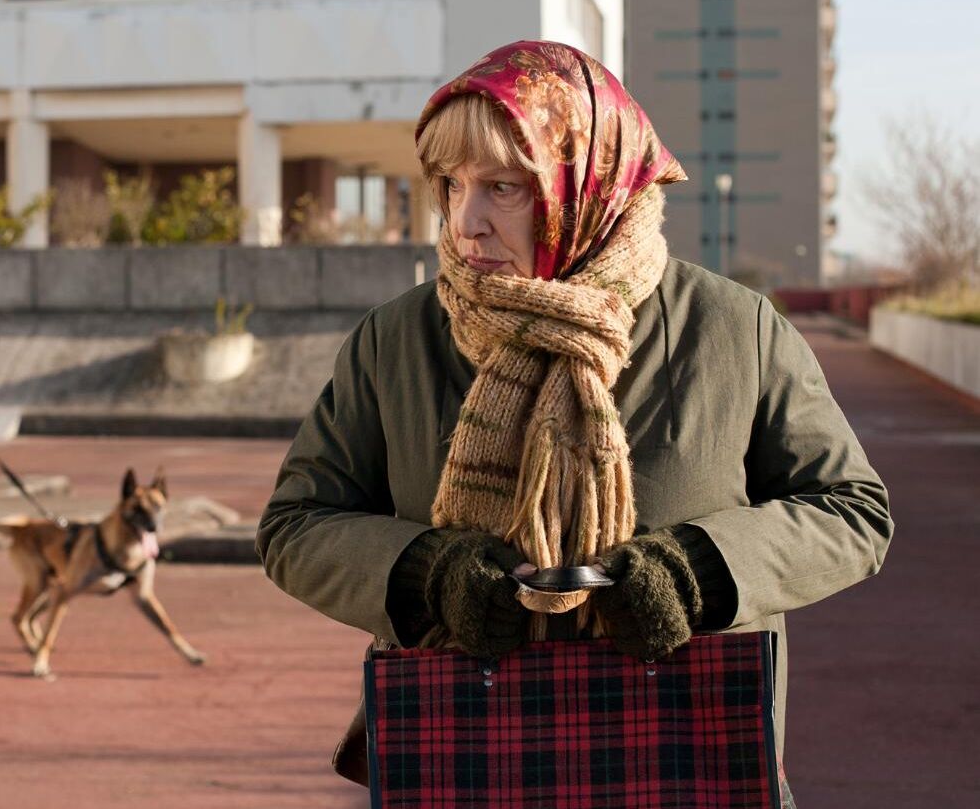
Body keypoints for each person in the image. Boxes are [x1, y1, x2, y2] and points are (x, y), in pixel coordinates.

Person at [256, 41, 892, 797]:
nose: (467, 222)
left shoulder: (733, 328)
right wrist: (428, 576)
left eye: (504, 187)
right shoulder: (393, 340)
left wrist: (704, 571)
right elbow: (295, 523)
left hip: (686, 759)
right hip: (469, 761)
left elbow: (851, 510)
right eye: (451, 183)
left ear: (589, 181)